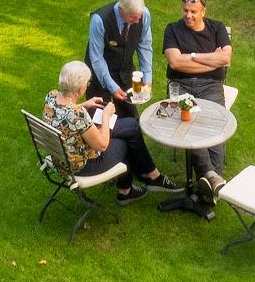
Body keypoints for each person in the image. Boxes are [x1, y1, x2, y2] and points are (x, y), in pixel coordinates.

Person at [43, 60, 173, 202]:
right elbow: (103, 145)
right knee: (125, 139)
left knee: (130, 126)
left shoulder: (52, 97)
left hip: (62, 159)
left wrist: (84, 104)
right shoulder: (77, 115)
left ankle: (133, 185)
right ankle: (133, 187)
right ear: (79, 89)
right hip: (83, 166)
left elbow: (64, 115)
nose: (88, 85)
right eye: (87, 83)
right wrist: (106, 116)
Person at [163, 0, 233, 213]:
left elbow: (225, 58)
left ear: (203, 11)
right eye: (185, 10)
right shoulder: (172, 29)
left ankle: (210, 182)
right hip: (180, 86)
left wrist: (191, 57)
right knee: (190, 122)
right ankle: (212, 178)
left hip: (211, 85)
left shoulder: (217, 28)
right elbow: (175, 63)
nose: (188, 15)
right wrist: (210, 60)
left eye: (193, 11)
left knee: (215, 124)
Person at [85, 0, 154, 118]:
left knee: (131, 119)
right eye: (133, 17)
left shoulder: (144, 14)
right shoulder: (99, 20)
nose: (137, 21)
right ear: (121, 10)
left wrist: (147, 78)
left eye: (139, 16)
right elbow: (96, 58)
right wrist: (112, 87)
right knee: (99, 119)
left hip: (124, 71)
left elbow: (145, 47)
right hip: (98, 73)